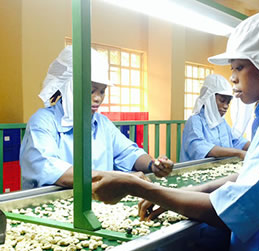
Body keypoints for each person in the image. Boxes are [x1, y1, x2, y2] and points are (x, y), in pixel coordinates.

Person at [91, 10, 259, 251]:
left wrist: (138, 187)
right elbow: (252, 175)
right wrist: (188, 190)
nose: (232, 77)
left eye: (239, 67)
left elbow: (231, 211)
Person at [20, 46, 174, 189]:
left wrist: (153, 165)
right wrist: (117, 178)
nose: (98, 98)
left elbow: (128, 152)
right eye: (91, 91)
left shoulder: (102, 123)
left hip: (96, 201)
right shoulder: (43, 122)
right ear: (69, 89)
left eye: (102, 91)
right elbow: (49, 168)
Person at [180, 74, 250, 162]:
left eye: (228, 103)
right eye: (222, 101)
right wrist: (238, 153)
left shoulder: (221, 123)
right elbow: (199, 148)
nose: (226, 106)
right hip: (196, 172)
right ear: (209, 99)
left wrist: (257, 146)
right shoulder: (195, 121)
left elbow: (237, 141)